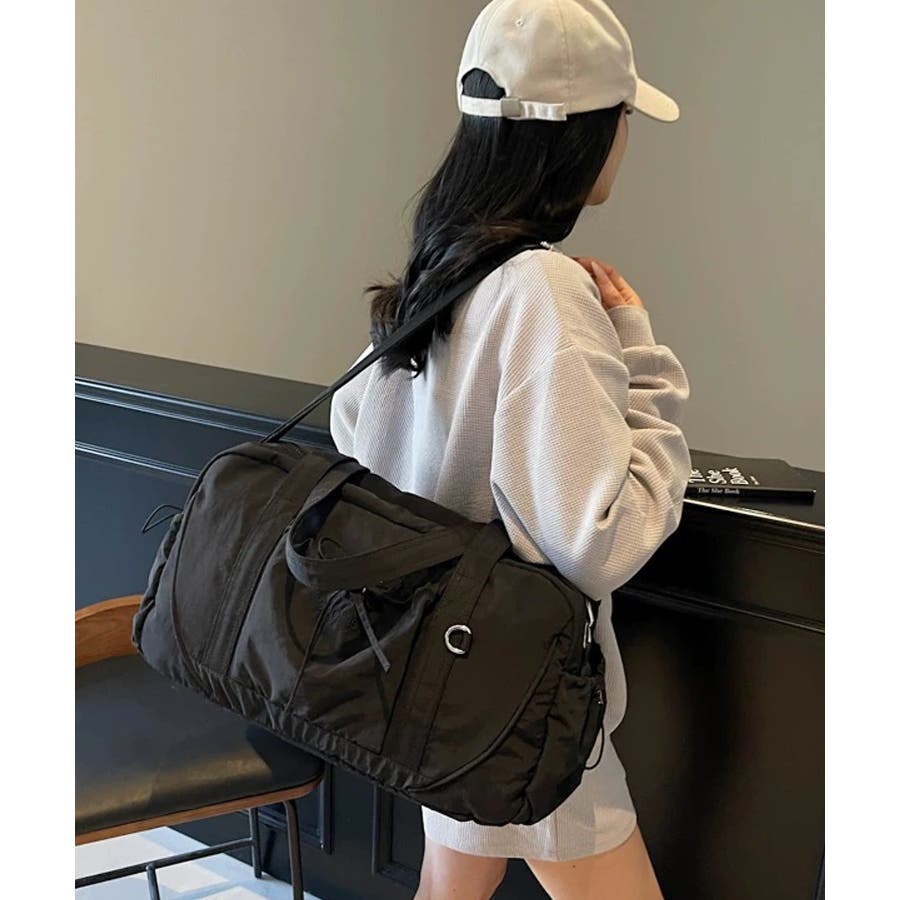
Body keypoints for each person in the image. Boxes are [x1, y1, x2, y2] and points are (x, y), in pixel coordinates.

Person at [329, 1, 691, 897]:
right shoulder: (543, 289)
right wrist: (643, 359)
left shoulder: (442, 265)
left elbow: (353, 427)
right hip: (522, 697)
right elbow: (599, 539)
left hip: (432, 673)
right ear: (584, 134)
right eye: (622, 116)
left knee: (450, 887)